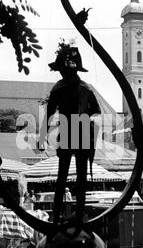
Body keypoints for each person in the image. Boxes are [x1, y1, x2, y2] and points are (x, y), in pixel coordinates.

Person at [38, 41, 101, 225]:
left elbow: (50, 114)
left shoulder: (60, 88)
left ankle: (59, 218)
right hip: (79, 131)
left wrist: (42, 137)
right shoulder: (84, 88)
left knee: (64, 178)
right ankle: (71, 218)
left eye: (61, 70)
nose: (61, 73)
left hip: (70, 130)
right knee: (74, 179)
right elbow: (96, 110)